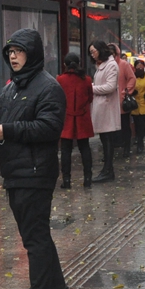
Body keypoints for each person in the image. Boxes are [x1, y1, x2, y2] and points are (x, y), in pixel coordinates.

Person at [0, 29, 70, 289]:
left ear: (31, 54)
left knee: (35, 239)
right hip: (16, 171)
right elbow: (0, 114)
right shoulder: (12, 86)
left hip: (35, 172)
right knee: (37, 236)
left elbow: (49, 127)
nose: (13, 56)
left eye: (19, 51)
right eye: (10, 52)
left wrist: (9, 130)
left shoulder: (48, 87)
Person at [57, 53, 94, 188]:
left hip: (66, 118)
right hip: (82, 117)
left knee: (65, 150)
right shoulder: (86, 79)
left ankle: (66, 180)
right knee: (85, 148)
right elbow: (90, 98)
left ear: (65, 65)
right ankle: (87, 179)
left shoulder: (60, 80)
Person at [89, 40, 119, 182]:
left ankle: (108, 170)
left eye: (93, 51)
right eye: (90, 52)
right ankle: (107, 169)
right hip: (101, 106)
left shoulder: (111, 65)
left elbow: (110, 87)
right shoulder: (101, 65)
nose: (92, 54)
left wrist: (91, 88)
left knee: (107, 139)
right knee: (104, 138)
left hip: (107, 107)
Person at [109, 43, 136, 157]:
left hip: (121, 101)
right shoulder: (104, 65)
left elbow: (132, 78)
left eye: (112, 53)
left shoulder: (123, 64)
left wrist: (126, 92)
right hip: (109, 101)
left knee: (125, 125)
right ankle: (112, 149)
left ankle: (127, 147)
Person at [130, 59, 145, 153]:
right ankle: (138, 140)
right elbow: (127, 86)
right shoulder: (132, 77)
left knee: (142, 125)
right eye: (138, 66)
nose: (139, 68)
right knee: (136, 125)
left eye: (141, 66)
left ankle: (140, 142)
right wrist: (131, 91)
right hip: (134, 105)